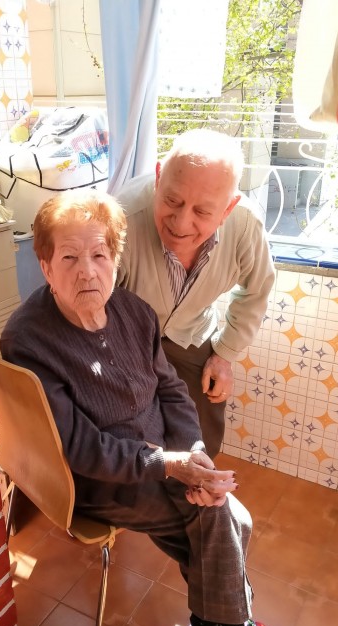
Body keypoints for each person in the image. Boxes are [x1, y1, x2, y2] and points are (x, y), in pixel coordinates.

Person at [0, 190, 282, 626]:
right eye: (69, 257)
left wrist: (193, 450)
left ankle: (210, 625)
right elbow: (79, 447)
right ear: (45, 267)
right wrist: (171, 466)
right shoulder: (29, 339)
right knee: (224, 518)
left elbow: (171, 390)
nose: (88, 272)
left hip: (160, 461)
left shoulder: (135, 313)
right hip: (96, 480)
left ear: (115, 259)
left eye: (99, 254)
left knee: (218, 515)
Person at [116, 128, 275, 458]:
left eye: (202, 212)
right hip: (124, 336)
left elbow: (257, 290)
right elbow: (89, 309)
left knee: (201, 423)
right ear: (158, 178)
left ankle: (197, 483)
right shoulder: (120, 219)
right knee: (127, 425)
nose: (181, 223)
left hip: (190, 331)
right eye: (172, 201)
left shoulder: (245, 225)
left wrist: (225, 353)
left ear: (228, 209)